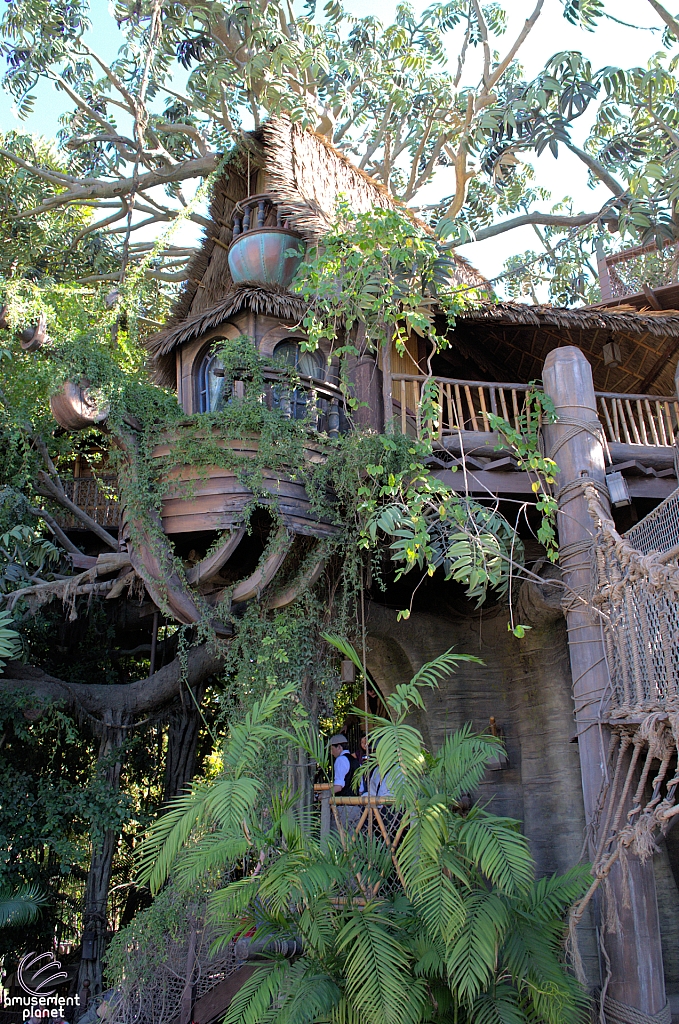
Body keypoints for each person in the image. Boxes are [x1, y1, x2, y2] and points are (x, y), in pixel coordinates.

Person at [328, 734, 360, 831]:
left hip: (344, 808)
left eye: (332, 748)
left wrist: (324, 795)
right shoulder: (355, 761)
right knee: (353, 839)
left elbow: (338, 787)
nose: (331, 752)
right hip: (356, 807)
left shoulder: (340, 760)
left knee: (339, 838)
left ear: (339, 747)